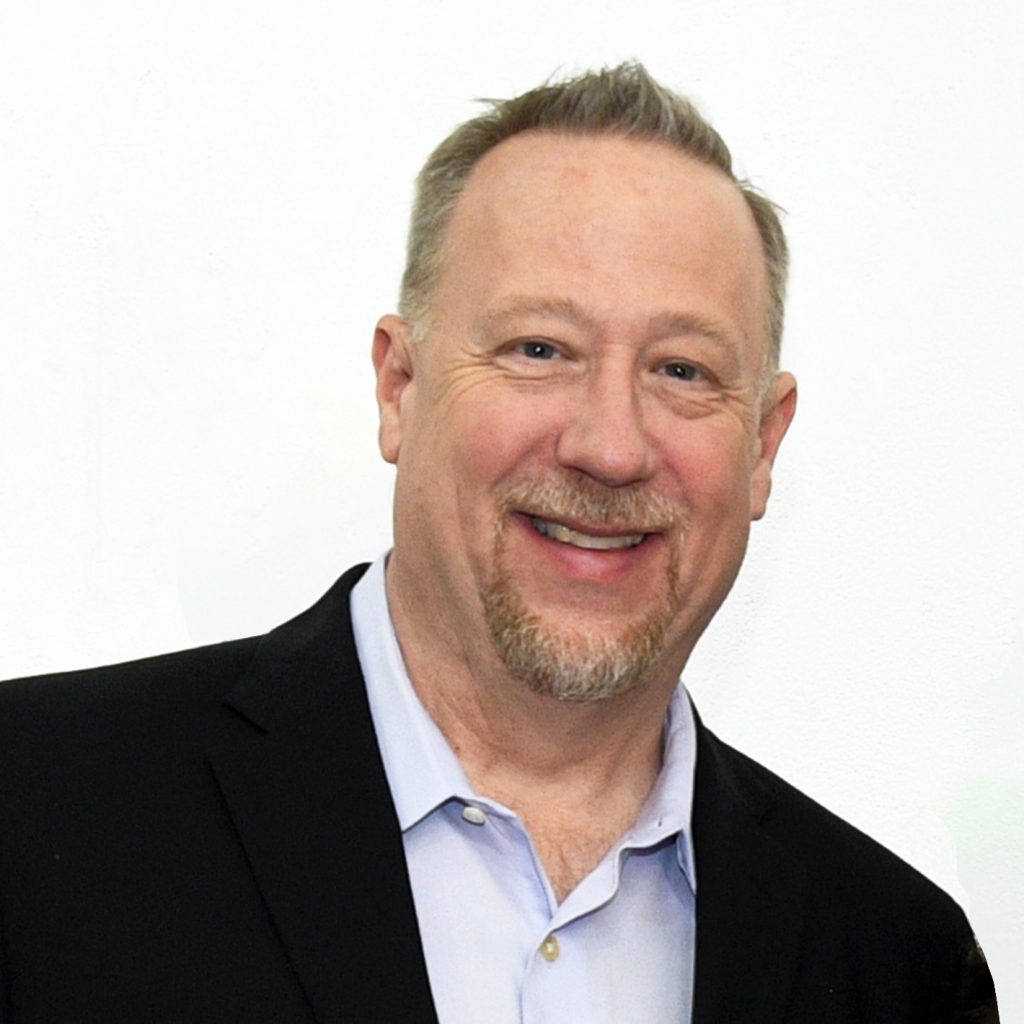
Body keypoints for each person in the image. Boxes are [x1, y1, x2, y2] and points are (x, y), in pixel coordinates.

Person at [0, 63, 998, 1023]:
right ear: (399, 386)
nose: (609, 446)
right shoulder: (36, 811)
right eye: (539, 349)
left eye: (683, 370)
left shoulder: (894, 964)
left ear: (763, 445)